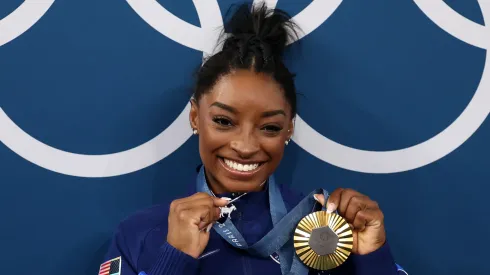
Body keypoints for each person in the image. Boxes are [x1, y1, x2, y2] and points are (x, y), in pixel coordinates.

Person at [100, 3, 407, 275]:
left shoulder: (331, 230)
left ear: (289, 129)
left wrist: (374, 257)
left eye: (269, 127)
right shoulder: (140, 233)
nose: (246, 146)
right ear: (195, 116)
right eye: (223, 121)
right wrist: (173, 259)